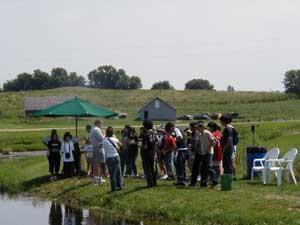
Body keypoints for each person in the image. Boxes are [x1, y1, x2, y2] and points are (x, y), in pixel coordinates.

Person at [102, 126, 124, 192]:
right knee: (118, 172)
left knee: (112, 174)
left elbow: (100, 146)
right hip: (116, 156)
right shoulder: (115, 139)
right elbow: (121, 145)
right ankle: (120, 186)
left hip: (109, 158)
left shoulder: (104, 140)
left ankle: (113, 188)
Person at [197, 123, 218, 187]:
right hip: (203, 152)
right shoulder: (200, 134)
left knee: (209, 166)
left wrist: (209, 148)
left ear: (202, 127)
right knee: (203, 168)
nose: (197, 129)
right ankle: (203, 182)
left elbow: (213, 141)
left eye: (198, 128)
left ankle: (215, 180)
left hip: (209, 153)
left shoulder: (207, 133)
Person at [140, 120, 157, 188]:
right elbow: (156, 141)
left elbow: (144, 146)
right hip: (152, 152)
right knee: (152, 168)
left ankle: (150, 184)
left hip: (146, 154)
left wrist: (138, 144)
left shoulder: (145, 135)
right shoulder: (153, 133)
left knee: (147, 169)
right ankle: (154, 182)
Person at [90, 120, 106, 184]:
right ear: (98, 123)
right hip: (98, 148)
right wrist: (104, 134)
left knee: (95, 163)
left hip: (94, 147)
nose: (101, 126)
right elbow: (102, 139)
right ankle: (99, 178)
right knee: (99, 163)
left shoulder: (92, 129)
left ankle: (96, 177)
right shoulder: (97, 129)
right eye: (101, 124)